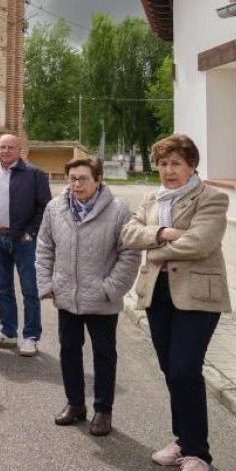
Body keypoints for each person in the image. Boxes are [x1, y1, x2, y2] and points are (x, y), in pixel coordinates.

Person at [121, 134, 229, 471]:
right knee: (171, 369)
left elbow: (201, 242)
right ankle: (182, 440)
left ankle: (198, 456)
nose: (168, 171)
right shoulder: (153, 198)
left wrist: (155, 248)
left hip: (197, 296)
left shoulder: (212, 198)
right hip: (158, 293)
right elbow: (129, 233)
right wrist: (165, 232)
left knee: (185, 369)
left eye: (176, 164)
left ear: (191, 165)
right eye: (163, 164)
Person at [37, 157, 138, 437]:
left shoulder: (118, 210)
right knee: (69, 350)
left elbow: (129, 253)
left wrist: (112, 289)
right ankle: (75, 404)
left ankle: (103, 410)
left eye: (83, 178)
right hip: (67, 295)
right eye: (72, 178)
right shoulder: (55, 207)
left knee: (104, 355)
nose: (76, 184)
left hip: (102, 299)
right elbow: (44, 247)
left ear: (98, 180)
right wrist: (47, 283)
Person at [0, 134, 51, 356]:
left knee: (30, 290)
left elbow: (45, 208)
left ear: (20, 150)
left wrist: (30, 233)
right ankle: (8, 333)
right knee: (3, 288)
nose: (6, 151)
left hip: (23, 241)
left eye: (11, 147)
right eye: (2, 147)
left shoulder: (34, 174)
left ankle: (30, 337)